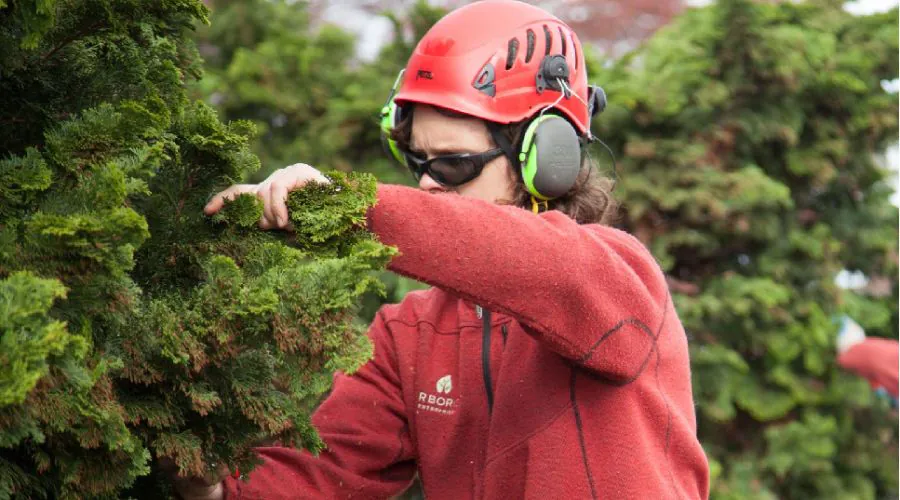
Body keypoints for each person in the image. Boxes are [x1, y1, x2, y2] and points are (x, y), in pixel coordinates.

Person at [185, 1, 710, 498]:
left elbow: (536, 262)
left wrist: (339, 208)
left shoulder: (616, 279)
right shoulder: (407, 333)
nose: (430, 185)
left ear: (547, 158)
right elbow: (326, 473)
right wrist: (213, 490)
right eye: (419, 163)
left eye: (455, 163)